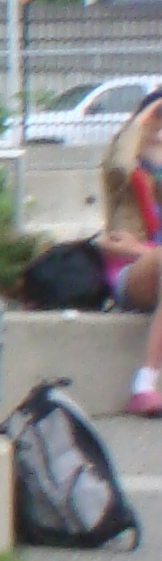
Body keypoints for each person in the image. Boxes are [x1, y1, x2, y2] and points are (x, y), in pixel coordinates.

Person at [94, 92, 162, 414]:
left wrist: (141, 248)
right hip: (127, 275)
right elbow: (120, 165)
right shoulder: (123, 175)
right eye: (156, 119)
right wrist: (140, 120)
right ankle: (144, 385)